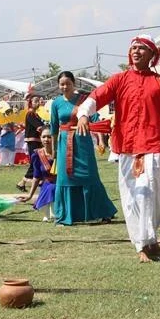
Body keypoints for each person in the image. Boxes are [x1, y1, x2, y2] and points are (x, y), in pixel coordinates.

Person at [76, 34, 160, 262]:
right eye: (133, 48)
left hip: (153, 146)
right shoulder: (119, 80)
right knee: (132, 196)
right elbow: (98, 95)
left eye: (142, 49)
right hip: (126, 147)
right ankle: (141, 245)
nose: (136, 52)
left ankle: (151, 238)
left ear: (152, 55)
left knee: (152, 195)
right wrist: (84, 113)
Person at [51, 71, 117, 226]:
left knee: (90, 175)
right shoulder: (56, 103)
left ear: (74, 84)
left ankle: (102, 212)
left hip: (82, 141)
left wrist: (101, 140)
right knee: (65, 177)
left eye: (68, 83)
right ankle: (66, 215)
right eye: (62, 84)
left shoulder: (84, 101)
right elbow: (53, 128)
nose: (65, 86)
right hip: (63, 144)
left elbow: (94, 120)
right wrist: (54, 150)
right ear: (58, 86)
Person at [17, 127, 56, 222]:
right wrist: (30, 195)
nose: (46, 139)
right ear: (40, 138)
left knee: (53, 187)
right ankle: (49, 212)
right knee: (50, 187)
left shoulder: (60, 153)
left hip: (61, 185)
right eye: (44, 137)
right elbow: (36, 176)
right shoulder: (37, 155)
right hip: (46, 185)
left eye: (49, 137)